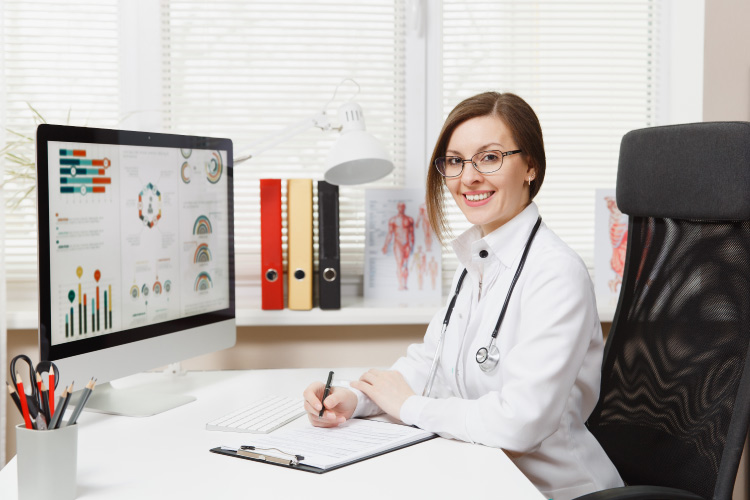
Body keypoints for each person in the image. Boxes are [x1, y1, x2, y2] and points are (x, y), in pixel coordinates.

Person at [303, 92, 623, 500]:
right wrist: (354, 398)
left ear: (530, 167)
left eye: (489, 157)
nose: (467, 177)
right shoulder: (478, 258)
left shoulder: (556, 273)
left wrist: (410, 407)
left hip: (552, 491)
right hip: (481, 475)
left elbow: (521, 423)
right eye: (454, 161)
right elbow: (431, 365)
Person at [381, 201, 415, 290]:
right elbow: (390, 234)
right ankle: (400, 284)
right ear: (397, 208)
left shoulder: (409, 220)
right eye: (400, 206)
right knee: (399, 264)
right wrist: (385, 245)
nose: (401, 208)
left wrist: (412, 245)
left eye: (403, 206)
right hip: (398, 244)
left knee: (405, 264)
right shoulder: (393, 220)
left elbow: (412, 234)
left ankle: (405, 284)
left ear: (405, 208)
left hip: (406, 244)